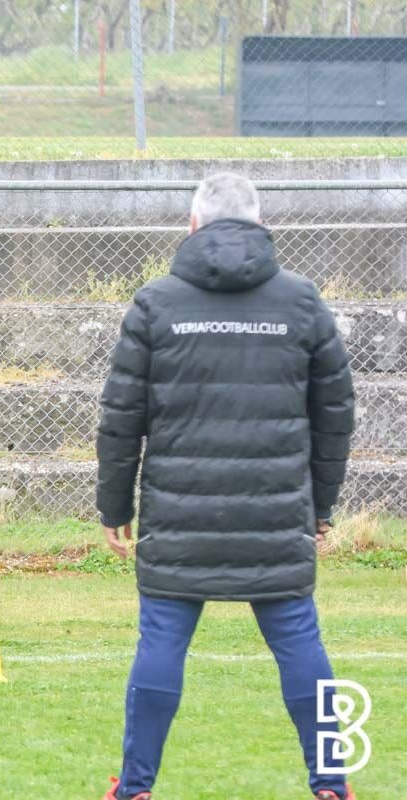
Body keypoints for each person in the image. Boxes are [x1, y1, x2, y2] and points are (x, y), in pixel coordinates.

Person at [96, 173, 357, 800]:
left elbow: (121, 417)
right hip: (276, 515)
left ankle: (135, 788)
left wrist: (114, 505)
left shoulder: (155, 303)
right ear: (261, 224)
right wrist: (320, 507)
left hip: (178, 515)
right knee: (302, 644)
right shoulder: (302, 301)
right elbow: (336, 414)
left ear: (193, 225)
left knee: (161, 645)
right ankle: (332, 782)